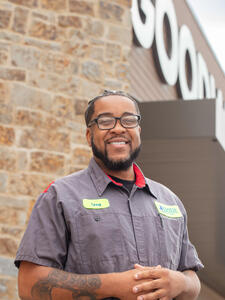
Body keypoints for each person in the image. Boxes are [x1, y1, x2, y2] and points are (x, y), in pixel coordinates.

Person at [15, 90, 203, 300]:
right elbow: (28, 285)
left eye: (128, 120)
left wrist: (180, 282)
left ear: (138, 131)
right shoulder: (60, 196)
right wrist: (113, 285)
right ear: (89, 136)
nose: (118, 128)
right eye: (105, 121)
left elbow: (192, 279)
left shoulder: (170, 201)